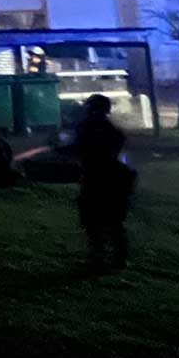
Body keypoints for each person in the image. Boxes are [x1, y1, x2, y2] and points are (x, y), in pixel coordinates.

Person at [73, 94, 136, 270]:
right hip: (113, 179)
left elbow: (80, 149)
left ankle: (98, 257)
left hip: (95, 179)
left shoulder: (87, 128)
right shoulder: (113, 131)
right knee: (113, 221)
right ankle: (118, 258)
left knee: (93, 220)